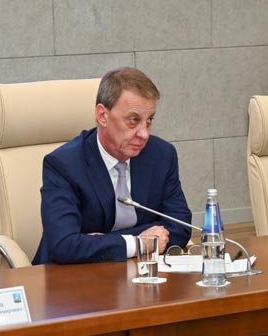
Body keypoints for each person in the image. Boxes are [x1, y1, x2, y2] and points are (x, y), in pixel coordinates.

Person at [34, 67, 192, 265]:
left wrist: (103, 242)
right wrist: (138, 243)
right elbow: (65, 246)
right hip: (70, 277)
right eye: (133, 120)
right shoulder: (64, 165)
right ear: (102, 115)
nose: (144, 134)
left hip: (135, 272)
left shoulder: (161, 155)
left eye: (149, 120)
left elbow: (180, 226)